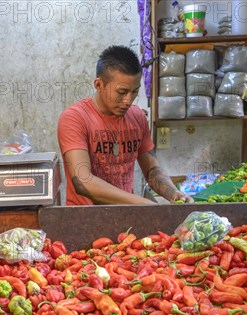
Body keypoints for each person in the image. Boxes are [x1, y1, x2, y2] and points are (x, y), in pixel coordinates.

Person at [57, 45, 192, 205]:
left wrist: (173, 193)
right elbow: (82, 181)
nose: (128, 100)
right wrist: (142, 204)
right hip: (86, 220)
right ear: (99, 85)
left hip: (126, 217)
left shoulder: (137, 117)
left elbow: (151, 170)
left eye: (134, 91)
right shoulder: (75, 118)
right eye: (121, 92)